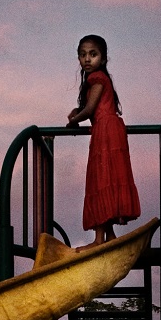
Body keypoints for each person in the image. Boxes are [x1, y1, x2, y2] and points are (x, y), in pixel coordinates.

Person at [66, 34, 141, 247]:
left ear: (104, 59)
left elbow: (90, 109)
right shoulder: (97, 80)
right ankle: (109, 237)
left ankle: (99, 239)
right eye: (82, 55)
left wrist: (74, 122)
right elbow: (90, 108)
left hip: (106, 130)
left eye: (93, 54)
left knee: (100, 179)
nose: (87, 59)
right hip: (108, 129)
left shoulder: (96, 78)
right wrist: (77, 112)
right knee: (104, 179)